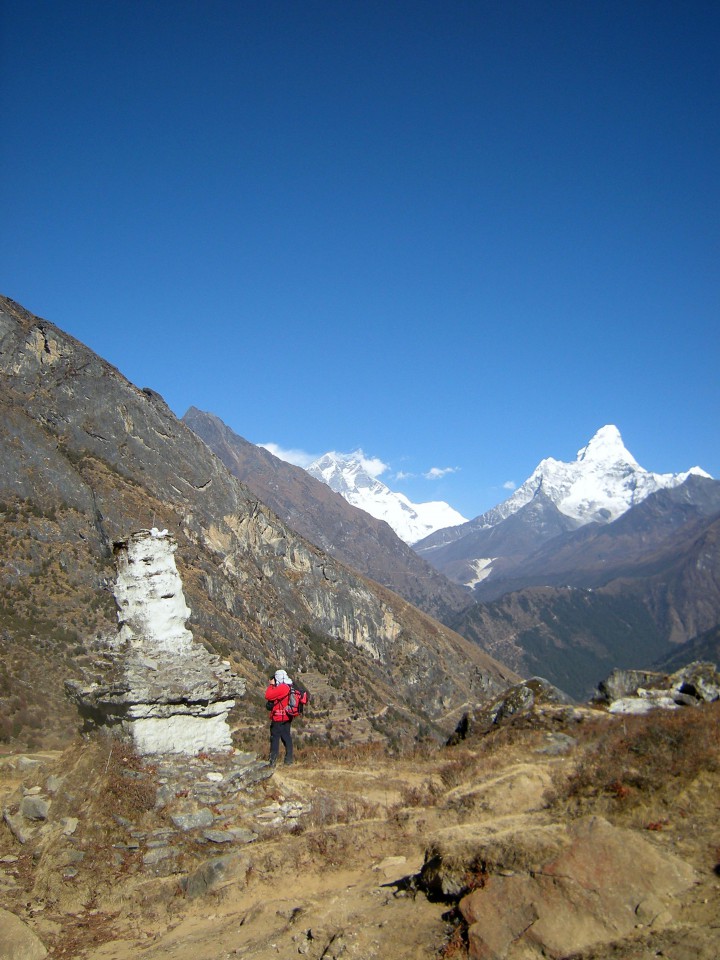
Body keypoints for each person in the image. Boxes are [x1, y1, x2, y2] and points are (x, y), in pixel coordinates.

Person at [265, 668, 298, 767]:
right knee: (286, 737)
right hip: (288, 716)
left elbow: (268, 696)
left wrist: (271, 685)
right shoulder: (289, 685)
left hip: (279, 717)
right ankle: (288, 760)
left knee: (275, 738)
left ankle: (272, 761)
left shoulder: (282, 687)